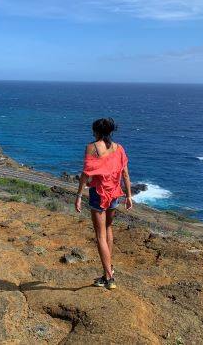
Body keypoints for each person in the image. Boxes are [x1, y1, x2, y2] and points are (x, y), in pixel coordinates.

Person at [75, 117, 132, 289]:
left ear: (96, 131)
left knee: (100, 235)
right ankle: (108, 270)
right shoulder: (119, 148)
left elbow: (85, 174)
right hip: (114, 194)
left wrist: (78, 195)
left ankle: (109, 278)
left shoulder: (92, 147)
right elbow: (125, 174)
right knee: (108, 229)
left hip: (98, 194)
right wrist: (129, 196)